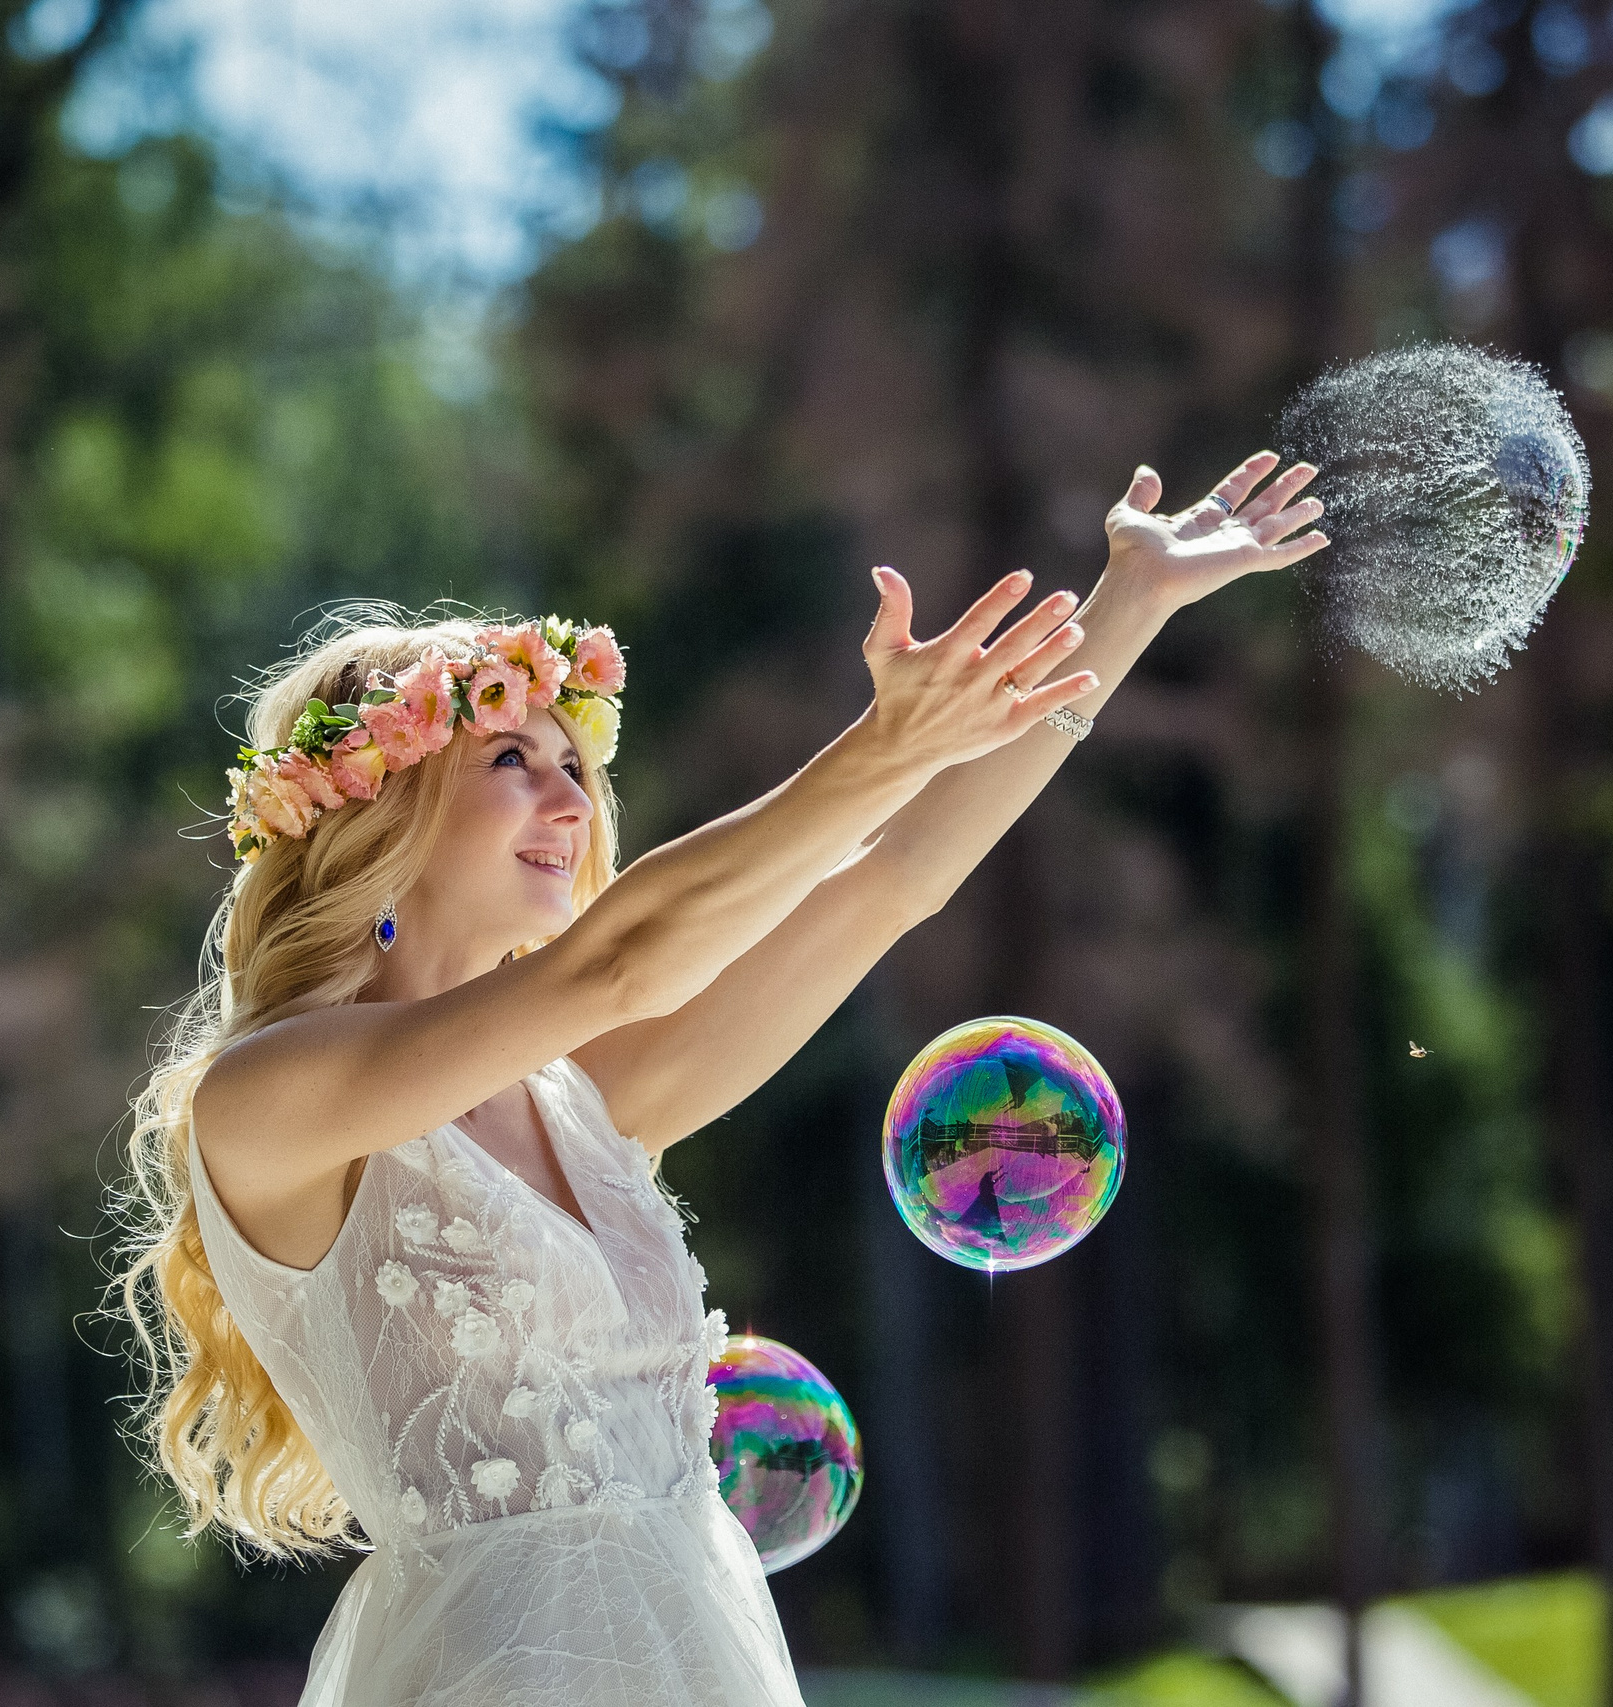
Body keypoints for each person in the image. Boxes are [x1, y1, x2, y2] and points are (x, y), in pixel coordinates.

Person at [114, 454, 1325, 1706]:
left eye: (575, 765)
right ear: (377, 809)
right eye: (510, 760)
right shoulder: (264, 1101)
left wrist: (1133, 600)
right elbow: (621, 960)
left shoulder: (585, 1095)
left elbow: (893, 879)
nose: (568, 800)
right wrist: (877, 744)